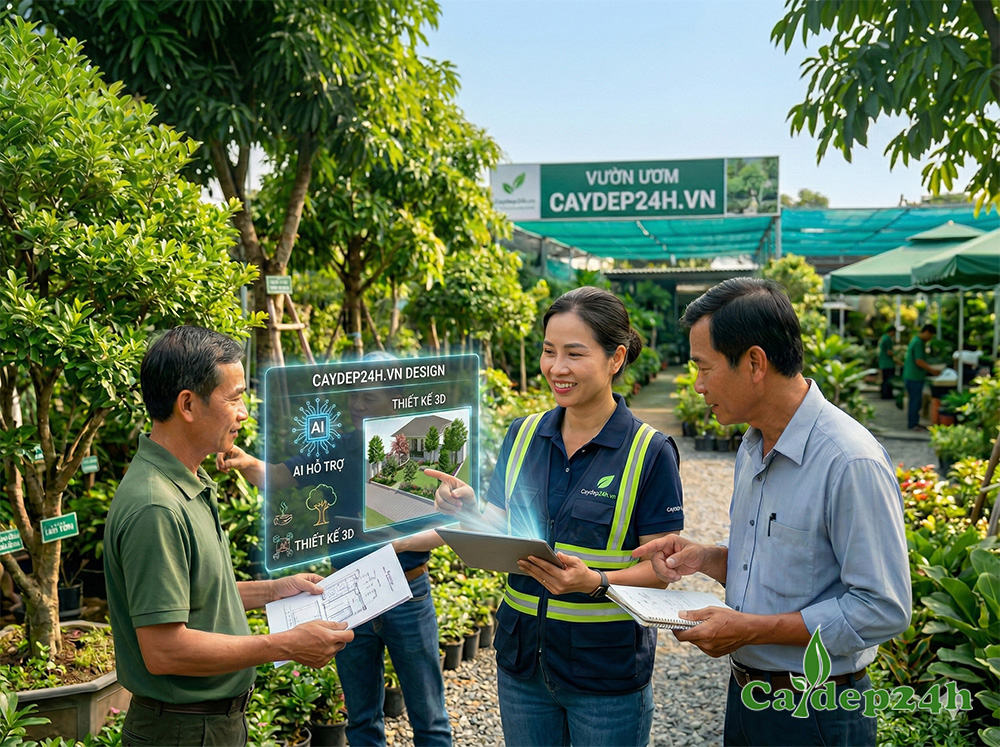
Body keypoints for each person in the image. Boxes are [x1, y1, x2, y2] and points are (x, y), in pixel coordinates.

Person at [634, 278, 910, 747]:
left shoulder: (848, 460)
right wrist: (706, 559)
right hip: (749, 698)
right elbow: (783, 567)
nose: (697, 385)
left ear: (755, 362)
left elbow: (883, 608)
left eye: (704, 368)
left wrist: (751, 630)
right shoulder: (753, 444)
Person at [417, 286, 685, 746]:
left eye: (575, 354)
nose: (556, 368)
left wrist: (597, 582)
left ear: (616, 358)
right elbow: (502, 529)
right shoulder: (522, 435)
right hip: (523, 668)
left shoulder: (650, 452)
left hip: (605, 675)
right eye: (548, 351)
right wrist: (467, 509)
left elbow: (662, 572)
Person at [105, 326, 353, 747]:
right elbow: (165, 650)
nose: (243, 413)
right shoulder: (157, 507)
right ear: (188, 404)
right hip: (183, 732)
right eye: (234, 398)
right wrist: (284, 645)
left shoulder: (188, 480)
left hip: (206, 726)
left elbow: (194, 597)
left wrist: (273, 590)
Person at [218, 371, 453, 746]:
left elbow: (451, 528)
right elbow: (279, 476)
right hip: (347, 595)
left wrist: (401, 543)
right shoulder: (334, 448)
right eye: (353, 397)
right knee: (360, 719)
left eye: (369, 398)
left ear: (397, 399)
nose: (356, 405)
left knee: (429, 717)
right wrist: (246, 462)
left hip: (407, 593)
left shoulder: (421, 450)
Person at [903, 323, 939, 431]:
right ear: (927, 332)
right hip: (914, 377)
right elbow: (919, 361)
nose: (929, 339)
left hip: (912, 375)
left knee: (914, 401)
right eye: (930, 336)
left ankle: (914, 422)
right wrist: (932, 370)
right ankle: (913, 424)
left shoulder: (916, 340)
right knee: (915, 401)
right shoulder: (919, 343)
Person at [877, 325, 895, 400]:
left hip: (883, 363)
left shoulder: (883, 337)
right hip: (888, 364)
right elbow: (889, 352)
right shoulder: (888, 339)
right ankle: (887, 395)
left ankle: (884, 394)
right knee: (888, 381)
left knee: (884, 380)